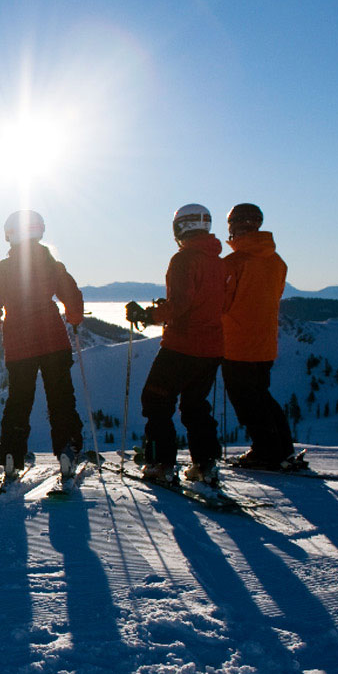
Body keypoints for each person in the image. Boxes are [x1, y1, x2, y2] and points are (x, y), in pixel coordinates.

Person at [125, 203, 225, 485]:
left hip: (183, 344)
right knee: (195, 405)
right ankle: (205, 465)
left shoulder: (184, 259)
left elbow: (180, 305)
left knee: (156, 400)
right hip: (212, 347)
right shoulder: (218, 261)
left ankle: (161, 463)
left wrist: (148, 315)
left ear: (180, 227)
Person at [0, 210, 85, 478]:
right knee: (61, 397)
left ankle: (12, 454)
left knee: (19, 399)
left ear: (9, 236)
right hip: (54, 341)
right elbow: (72, 298)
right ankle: (67, 449)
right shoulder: (52, 264)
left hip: (19, 344)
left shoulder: (3, 269)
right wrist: (74, 318)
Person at [221, 202, 299, 470]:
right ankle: (282, 449)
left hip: (236, 343)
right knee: (262, 396)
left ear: (234, 226)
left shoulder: (233, 263)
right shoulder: (276, 262)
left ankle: (266, 451)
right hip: (265, 343)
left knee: (246, 401)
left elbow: (222, 303)